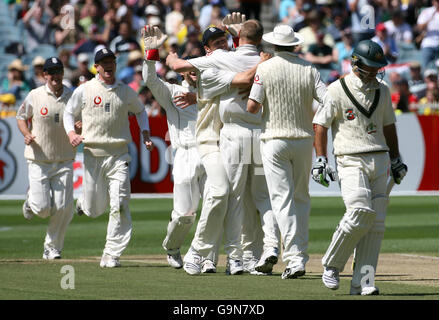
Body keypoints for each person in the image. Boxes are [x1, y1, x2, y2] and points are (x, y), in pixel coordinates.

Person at [168, 16, 279, 276]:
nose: (221, 45)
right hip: (234, 140)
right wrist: (261, 66)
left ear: (235, 40)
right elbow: (242, 78)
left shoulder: (221, 60)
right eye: (216, 43)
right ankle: (255, 250)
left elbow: (177, 64)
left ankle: (238, 257)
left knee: (240, 198)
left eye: (224, 39)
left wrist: (169, 56)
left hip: (236, 137)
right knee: (252, 197)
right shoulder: (263, 60)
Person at [312, 40, 407, 295]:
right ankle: (332, 264)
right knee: (360, 211)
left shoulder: (383, 90)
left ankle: (363, 282)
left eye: (379, 67)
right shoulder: (336, 89)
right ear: (356, 64)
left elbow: (388, 126)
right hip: (349, 158)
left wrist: (396, 158)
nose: (376, 71)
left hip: (381, 159)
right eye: (371, 67)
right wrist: (321, 160)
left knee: (376, 224)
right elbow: (320, 125)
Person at [247, 24, 326, 279]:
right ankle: (298, 256)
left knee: (282, 200)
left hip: (274, 140)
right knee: (301, 198)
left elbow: (251, 107)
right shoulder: (309, 68)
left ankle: (294, 259)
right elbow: (328, 100)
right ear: (294, 45)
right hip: (304, 140)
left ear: (272, 45)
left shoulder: (265, 68)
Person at [63, 47, 154, 268]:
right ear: (97, 67)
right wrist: (72, 133)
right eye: (104, 62)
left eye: (111, 61)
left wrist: (145, 133)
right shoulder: (85, 90)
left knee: (120, 203)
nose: (108, 65)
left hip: (119, 155)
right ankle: (84, 203)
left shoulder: (125, 91)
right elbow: (68, 113)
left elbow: (141, 111)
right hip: (93, 155)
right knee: (95, 210)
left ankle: (112, 253)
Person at [16, 57, 75, 260]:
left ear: (62, 73)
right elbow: (21, 117)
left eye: (59, 71)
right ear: (45, 76)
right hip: (39, 158)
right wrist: (26, 134)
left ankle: (52, 247)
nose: (56, 75)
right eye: (51, 72)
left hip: (65, 158)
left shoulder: (72, 95)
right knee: (42, 209)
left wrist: (79, 127)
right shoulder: (35, 95)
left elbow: (81, 120)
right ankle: (31, 200)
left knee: (64, 207)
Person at [417, 0, 439, 70]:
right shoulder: (427, 11)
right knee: (426, 69)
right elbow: (419, 27)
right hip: (428, 44)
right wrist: (430, 19)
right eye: (437, 1)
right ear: (433, 2)